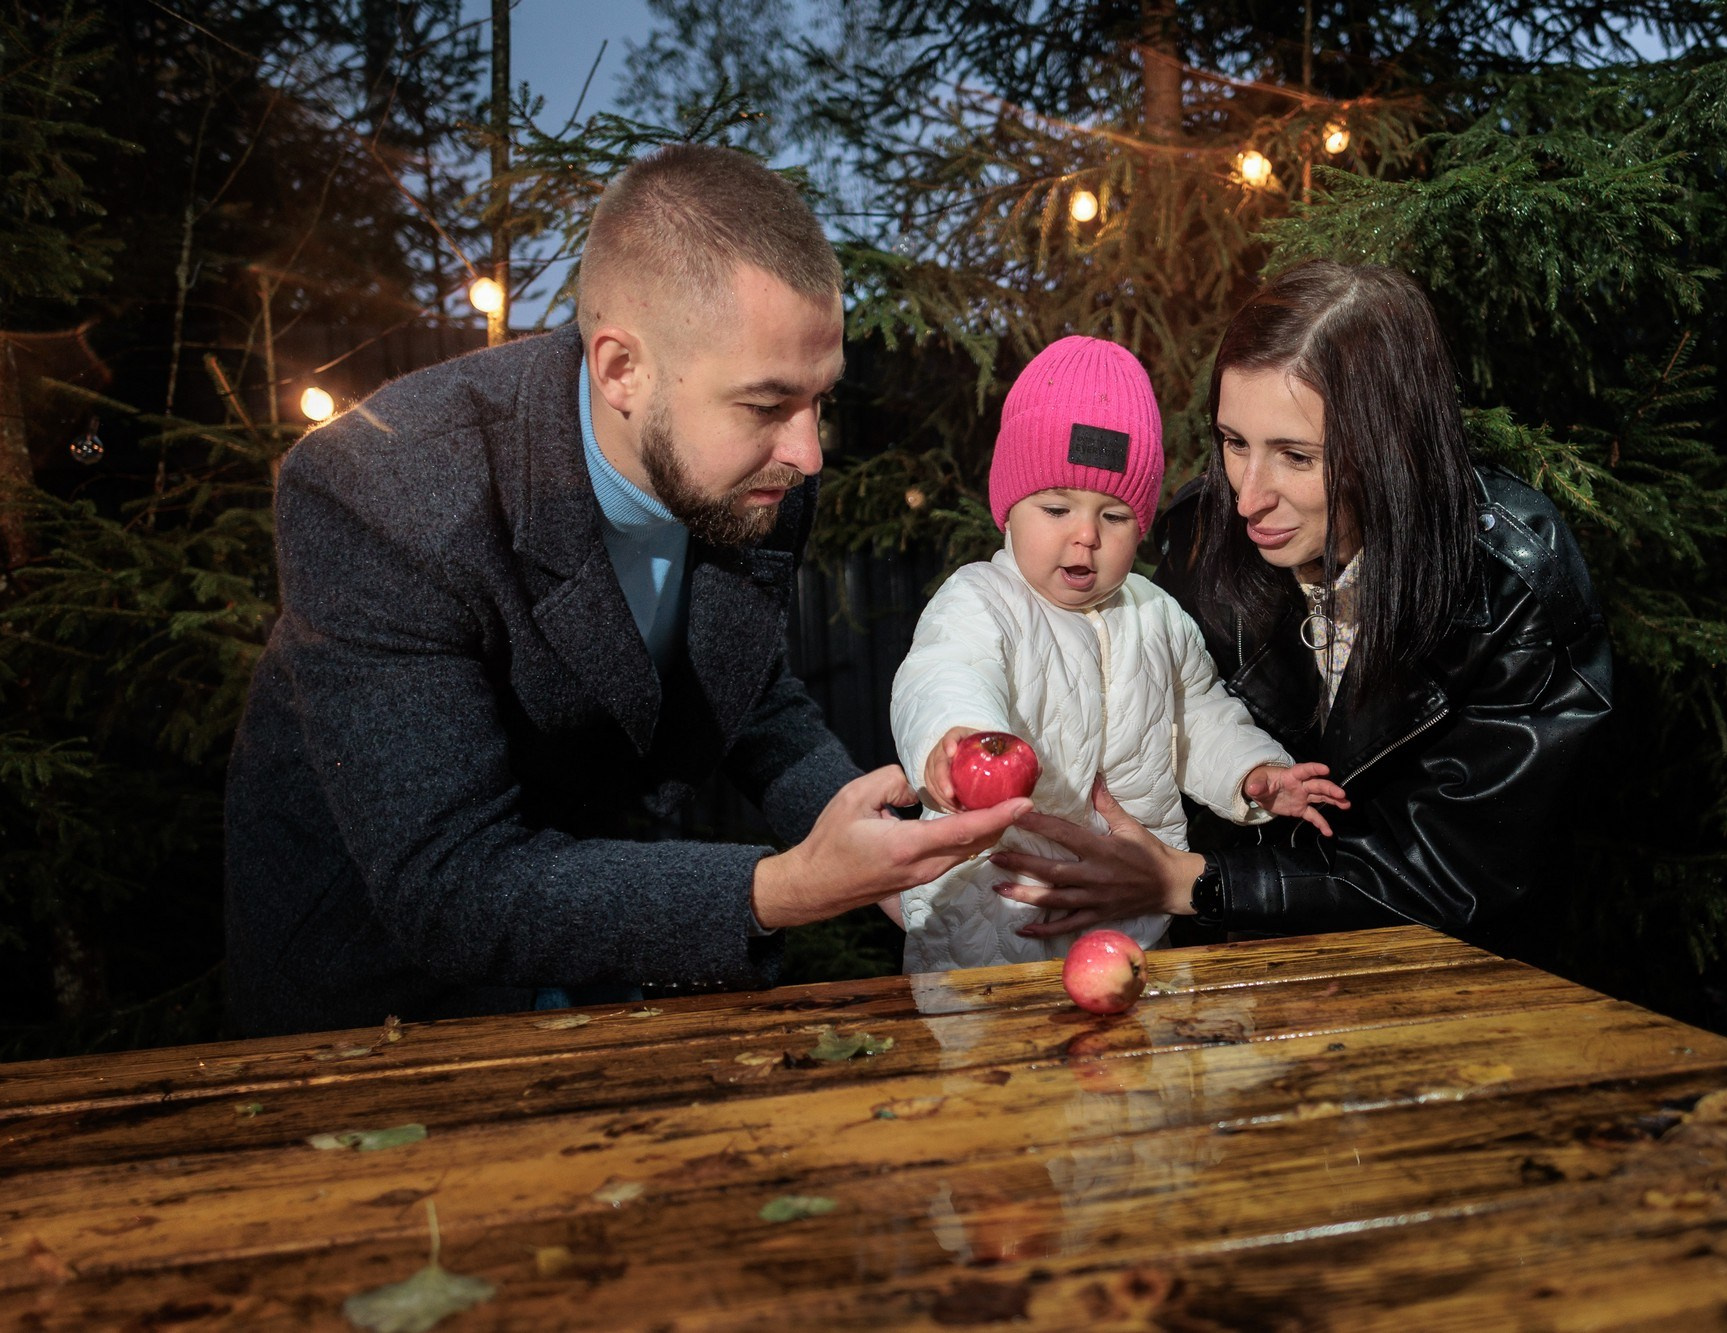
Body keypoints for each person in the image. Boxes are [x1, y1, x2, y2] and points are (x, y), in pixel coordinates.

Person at [224, 146, 1024, 1037]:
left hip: (605, 962)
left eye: (818, 399)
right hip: (384, 1004)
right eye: (765, 405)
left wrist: (896, 863)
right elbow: (448, 884)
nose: (809, 452)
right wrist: (783, 888)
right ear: (620, 371)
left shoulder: (755, 470)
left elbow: (748, 690)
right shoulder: (381, 494)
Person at [983, 261, 1613, 948]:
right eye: (1233, 443)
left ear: (1390, 446)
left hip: (1449, 987)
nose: (1249, 497)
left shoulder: (1512, 586)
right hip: (1234, 976)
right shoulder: (1205, 537)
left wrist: (1190, 882)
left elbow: (1458, 870)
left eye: (1296, 456)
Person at [890, 336, 1344, 972]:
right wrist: (958, 737)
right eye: (1055, 507)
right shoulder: (981, 601)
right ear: (1007, 512)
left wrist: (1253, 773)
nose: (1085, 535)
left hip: (1128, 923)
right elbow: (944, 672)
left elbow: (1199, 718)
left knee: (1134, 1059)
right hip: (993, 925)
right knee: (989, 1059)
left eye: (1115, 515)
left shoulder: (1154, 614)